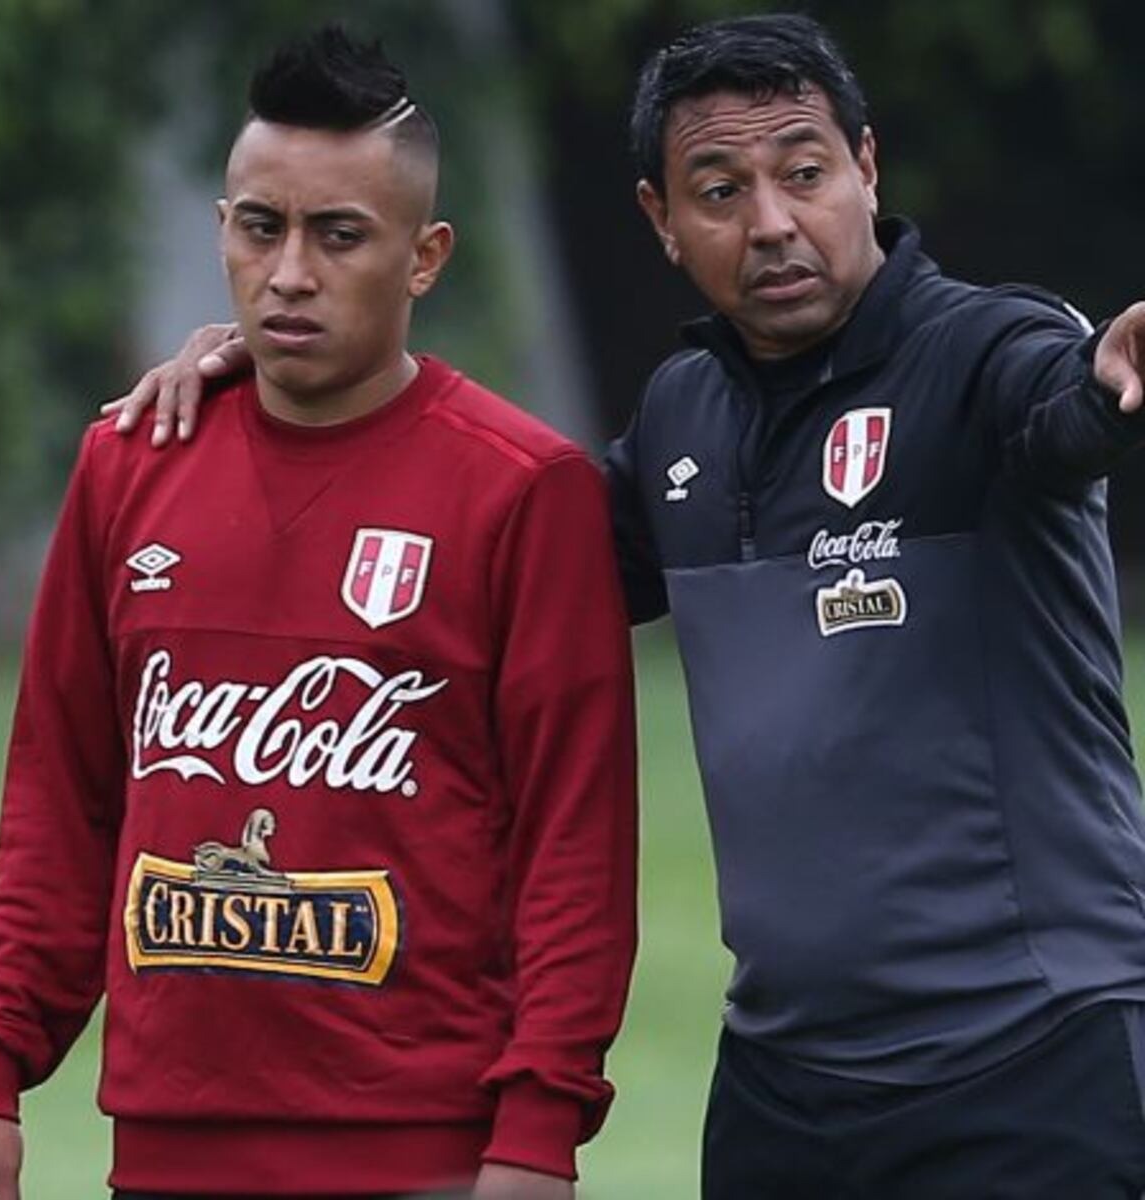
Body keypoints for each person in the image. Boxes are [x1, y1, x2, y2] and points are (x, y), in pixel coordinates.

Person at [99, 11, 1145, 1199]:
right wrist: (280, 384)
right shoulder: (682, 420)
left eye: (804, 173)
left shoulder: (983, 351)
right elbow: (477, 544)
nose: (770, 222)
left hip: (1030, 1060)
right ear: (659, 219)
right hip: (784, 1087)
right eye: (719, 188)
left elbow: (1059, 411)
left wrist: (1107, 387)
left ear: (866, 167)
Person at [0, 26, 637, 1200]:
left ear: (425, 258)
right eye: (261, 227)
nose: (291, 273)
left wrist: (538, 1132)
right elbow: (61, 802)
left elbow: (575, 848)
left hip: (428, 1152)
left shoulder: (524, 490)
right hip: (165, 1145)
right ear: (222, 228)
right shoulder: (129, 462)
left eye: (339, 235)